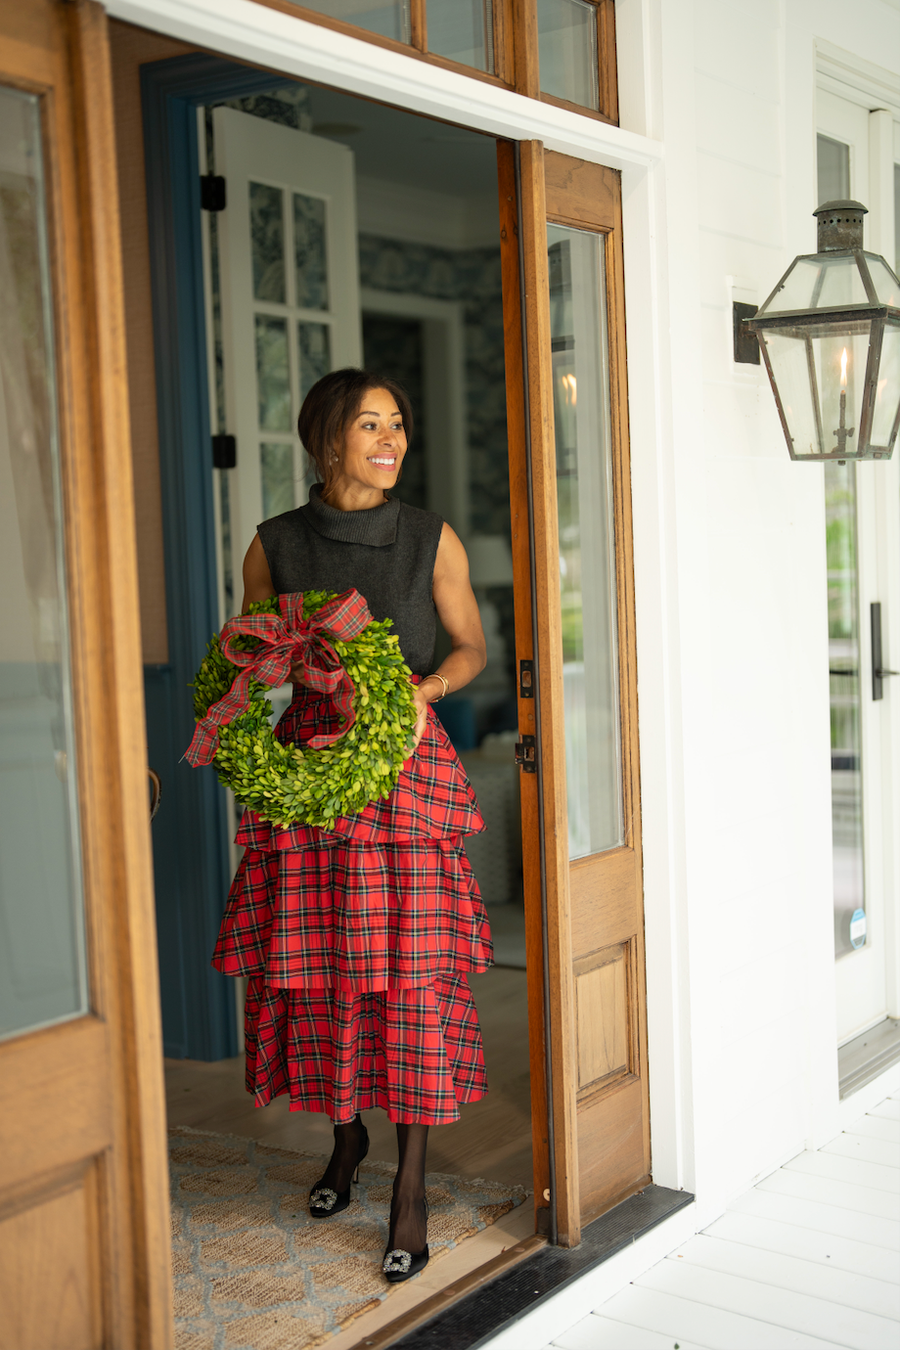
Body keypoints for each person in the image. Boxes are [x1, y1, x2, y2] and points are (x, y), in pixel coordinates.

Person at [212, 368, 493, 1283]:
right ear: (326, 440)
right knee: (325, 962)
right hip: (308, 778)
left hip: (405, 778)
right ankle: (347, 1141)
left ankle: (409, 1187)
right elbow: (248, 660)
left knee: (407, 975)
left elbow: (470, 645)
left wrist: (429, 690)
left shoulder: (429, 538)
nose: (392, 438)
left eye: (399, 423)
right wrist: (258, 694)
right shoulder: (276, 545)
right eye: (371, 423)